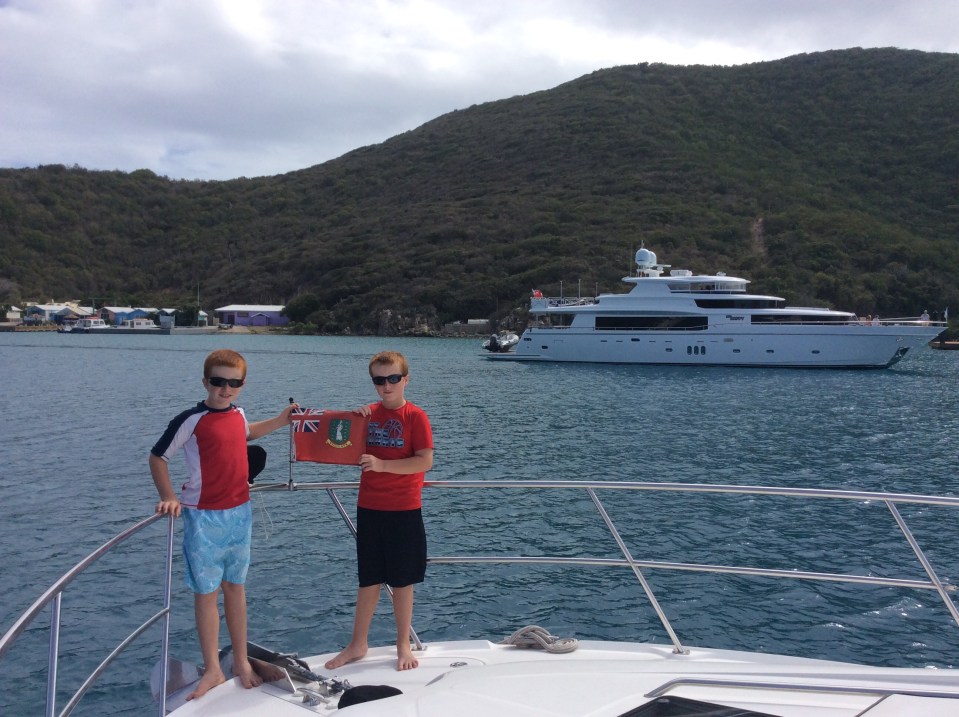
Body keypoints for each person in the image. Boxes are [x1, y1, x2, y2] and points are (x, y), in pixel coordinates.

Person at [149, 349, 296, 700]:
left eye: (234, 383)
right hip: (203, 516)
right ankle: (213, 668)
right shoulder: (191, 420)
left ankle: (241, 660)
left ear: (242, 384)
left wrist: (281, 420)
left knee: (236, 587)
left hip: (239, 512)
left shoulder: (238, 412)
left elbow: (246, 433)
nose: (225, 388)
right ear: (205, 381)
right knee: (206, 593)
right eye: (218, 381)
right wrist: (169, 495)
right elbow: (158, 457)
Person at [325, 350, 434, 672]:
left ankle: (403, 644)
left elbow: (425, 461)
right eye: (379, 380)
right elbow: (338, 442)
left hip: (404, 508)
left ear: (405, 380)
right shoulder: (367, 415)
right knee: (368, 580)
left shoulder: (416, 417)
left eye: (393, 379)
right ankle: (358, 643)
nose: (386, 386)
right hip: (369, 506)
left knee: (402, 581)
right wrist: (353, 419)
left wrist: (383, 465)